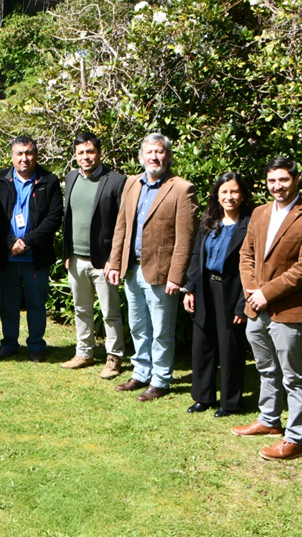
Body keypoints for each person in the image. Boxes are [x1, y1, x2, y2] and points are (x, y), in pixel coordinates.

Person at [232, 158, 302, 461]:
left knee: (293, 376)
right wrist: (252, 290)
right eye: (272, 181)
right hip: (255, 307)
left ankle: (295, 439)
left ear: (296, 180)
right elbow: (246, 254)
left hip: (288, 311)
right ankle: (269, 420)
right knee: (266, 369)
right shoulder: (259, 213)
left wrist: (266, 294)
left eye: (283, 180)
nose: (278, 186)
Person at [107, 133, 198, 402]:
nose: (154, 157)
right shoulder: (131, 183)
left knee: (161, 331)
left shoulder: (182, 188)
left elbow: (185, 239)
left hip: (161, 273)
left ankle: (160, 380)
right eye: (149, 152)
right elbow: (121, 226)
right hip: (132, 269)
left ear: (167, 156)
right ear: (141, 156)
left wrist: (177, 276)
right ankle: (141, 372)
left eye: (159, 152)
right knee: (137, 326)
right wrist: (115, 262)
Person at [182, 172, 254, 417]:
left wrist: (243, 304)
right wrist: (189, 288)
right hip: (205, 288)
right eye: (224, 192)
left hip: (232, 291)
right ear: (217, 195)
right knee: (202, 345)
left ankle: (230, 403)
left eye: (234, 191)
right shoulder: (210, 221)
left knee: (230, 348)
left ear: (242, 195)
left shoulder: (250, 224)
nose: (229, 197)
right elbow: (196, 256)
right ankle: (203, 397)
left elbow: (253, 267)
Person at [0, 136, 64, 362]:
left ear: (36, 155)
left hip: (36, 257)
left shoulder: (49, 180)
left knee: (36, 305)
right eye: (19, 153)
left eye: (29, 153)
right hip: (7, 257)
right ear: (11, 156)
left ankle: (36, 346)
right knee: (8, 306)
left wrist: (27, 241)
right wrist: (10, 242)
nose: (24, 158)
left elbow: (54, 218)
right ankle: (9, 344)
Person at [59, 133, 128, 379]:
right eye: (80, 153)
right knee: (81, 309)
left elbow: (122, 224)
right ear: (75, 155)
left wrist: (114, 259)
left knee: (110, 313)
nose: (85, 157)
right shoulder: (71, 177)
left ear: (99, 152)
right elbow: (69, 219)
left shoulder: (116, 181)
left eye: (90, 152)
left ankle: (114, 357)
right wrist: (67, 253)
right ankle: (84, 352)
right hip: (75, 258)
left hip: (103, 261)